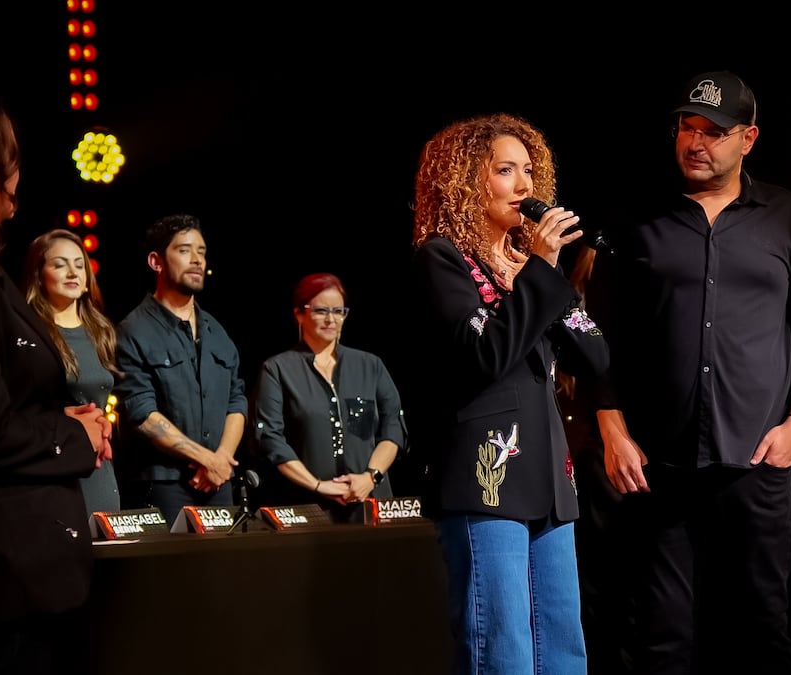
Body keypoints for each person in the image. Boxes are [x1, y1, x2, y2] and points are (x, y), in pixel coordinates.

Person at [587, 71, 791, 674]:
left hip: (756, 463)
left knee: (761, 633)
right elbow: (595, 335)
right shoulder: (639, 218)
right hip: (659, 467)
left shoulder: (782, 214)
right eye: (687, 128)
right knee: (659, 638)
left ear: (748, 138)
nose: (695, 143)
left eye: (713, 132)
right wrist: (612, 430)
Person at [408, 112, 609, 674]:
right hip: (487, 479)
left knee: (564, 650)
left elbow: (595, 357)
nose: (524, 186)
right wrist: (538, 273)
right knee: (504, 651)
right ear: (465, 181)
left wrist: (549, 280)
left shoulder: (529, 266)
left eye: (528, 171)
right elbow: (486, 356)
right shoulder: (442, 259)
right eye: (504, 170)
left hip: (549, 481)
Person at [0, 91, 112, 674]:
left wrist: (62, 421)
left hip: (24, 574)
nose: (17, 178)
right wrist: (76, 433)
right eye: (9, 158)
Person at [113, 213, 247, 527]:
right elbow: (140, 413)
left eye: (202, 252)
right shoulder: (133, 331)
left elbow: (237, 401)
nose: (197, 259)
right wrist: (205, 459)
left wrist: (221, 460)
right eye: (185, 250)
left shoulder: (217, 332)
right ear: (156, 261)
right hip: (164, 484)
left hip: (218, 481)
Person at [249, 272, 408, 523]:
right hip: (306, 508)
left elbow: (393, 428)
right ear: (299, 314)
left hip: (369, 505)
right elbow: (270, 439)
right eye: (321, 310)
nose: (331, 319)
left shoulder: (370, 365)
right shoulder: (277, 369)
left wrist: (370, 477)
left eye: (338, 311)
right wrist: (318, 485)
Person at [557, 244, 634, 675]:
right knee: (595, 579)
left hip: (612, 449)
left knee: (615, 577)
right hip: (588, 450)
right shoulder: (572, 301)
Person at [23, 228, 123, 514]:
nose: (72, 272)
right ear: (38, 274)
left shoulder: (101, 331)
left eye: (79, 265)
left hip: (101, 471)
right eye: (60, 264)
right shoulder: (30, 333)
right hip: (57, 472)